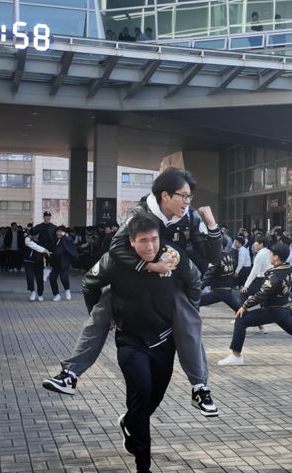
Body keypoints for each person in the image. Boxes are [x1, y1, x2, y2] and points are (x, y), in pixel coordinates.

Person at [43, 168, 222, 418]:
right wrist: (150, 265)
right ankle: (70, 375)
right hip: (134, 275)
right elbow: (116, 246)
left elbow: (213, 256)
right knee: (102, 311)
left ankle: (200, 387)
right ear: (165, 195)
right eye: (183, 196)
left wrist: (211, 225)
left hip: (172, 280)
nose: (187, 202)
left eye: (189, 196)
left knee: (189, 321)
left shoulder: (190, 217)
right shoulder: (139, 213)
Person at [80, 216, 200, 473]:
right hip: (130, 341)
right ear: (131, 241)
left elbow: (195, 281)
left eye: (154, 239)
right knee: (140, 392)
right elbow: (89, 283)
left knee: (150, 401)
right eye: (143, 241)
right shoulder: (118, 262)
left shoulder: (172, 259)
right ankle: (143, 470)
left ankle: (130, 422)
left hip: (163, 343)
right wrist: (101, 314)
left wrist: (188, 312)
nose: (150, 246)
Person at [217, 243, 292, 366]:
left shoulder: (275, 273)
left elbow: (262, 293)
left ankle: (236, 356)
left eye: (271, 254)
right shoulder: (288, 268)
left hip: (273, 311)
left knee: (241, 320)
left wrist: (244, 306)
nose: (269, 255)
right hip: (283, 310)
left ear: (276, 257)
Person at [199, 247, 241, 313]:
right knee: (240, 310)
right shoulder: (229, 256)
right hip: (228, 290)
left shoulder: (216, 258)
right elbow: (234, 266)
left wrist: (200, 287)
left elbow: (209, 274)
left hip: (219, 290)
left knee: (196, 302)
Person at [50, 226, 78, 300]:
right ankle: (56, 294)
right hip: (56, 263)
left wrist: (65, 234)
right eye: (57, 231)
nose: (58, 233)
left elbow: (70, 239)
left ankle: (67, 290)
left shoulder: (66, 239)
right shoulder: (54, 240)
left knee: (64, 278)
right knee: (52, 278)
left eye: (60, 231)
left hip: (64, 263)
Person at [22, 227, 48, 301]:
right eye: (33, 235)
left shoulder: (42, 240)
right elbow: (36, 247)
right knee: (29, 278)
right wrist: (44, 250)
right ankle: (32, 292)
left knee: (39, 279)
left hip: (39, 262)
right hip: (28, 261)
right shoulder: (27, 240)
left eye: (36, 235)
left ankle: (40, 294)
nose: (35, 237)